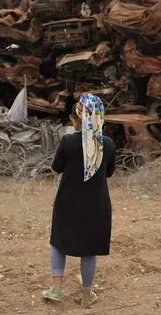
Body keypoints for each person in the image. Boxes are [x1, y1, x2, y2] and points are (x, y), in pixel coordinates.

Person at [42, 93, 116, 308]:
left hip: (68, 202)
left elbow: (56, 168)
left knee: (58, 242)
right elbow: (109, 173)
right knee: (89, 249)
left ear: (77, 117)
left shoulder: (69, 141)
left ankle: (56, 290)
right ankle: (87, 295)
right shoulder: (108, 144)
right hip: (97, 205)